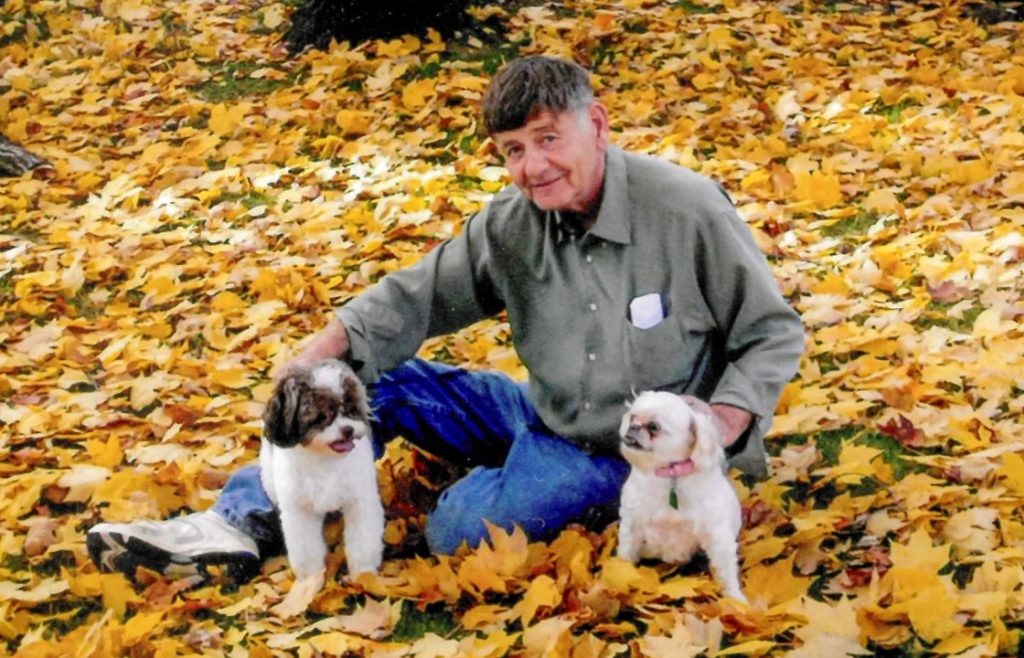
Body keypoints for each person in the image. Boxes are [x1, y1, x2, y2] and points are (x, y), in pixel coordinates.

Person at [87, 56, 804, 581]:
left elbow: (773, 332)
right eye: (512, 151)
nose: (532, 168)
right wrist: (326, 347)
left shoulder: (686, 209)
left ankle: (528, 489)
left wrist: (725, 423)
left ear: (598, 124)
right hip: (541, 410)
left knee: (457, 529)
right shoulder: (513, 223)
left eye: (548, 139)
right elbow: (417, 298)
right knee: (361, 383)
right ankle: (237, 523)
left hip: (623, 454)